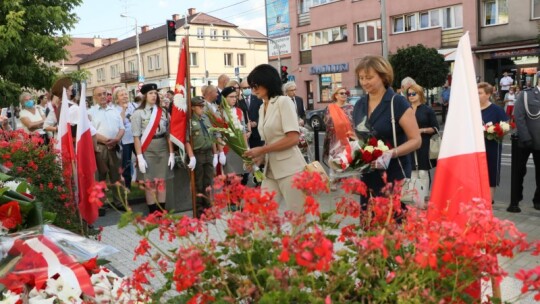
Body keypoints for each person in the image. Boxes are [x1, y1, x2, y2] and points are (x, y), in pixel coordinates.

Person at [352, 55, 421, 204]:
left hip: (394, 174)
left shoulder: (397, 103)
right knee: (369, 221)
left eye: (369, 77)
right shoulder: (359, 104)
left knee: (392, 221)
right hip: (368, 174)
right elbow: (359, 137)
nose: (364, 82)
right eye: (361, 78)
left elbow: (416, 140)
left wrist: (391, 153)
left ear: (383, 76)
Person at [243, 64, 307, 213]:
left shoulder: (283, 102)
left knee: (299, 220)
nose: (253, 90)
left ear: (267, 82)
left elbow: (293, 138)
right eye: (251, 86)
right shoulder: (262, 107)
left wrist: (263, 149)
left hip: (291, 169)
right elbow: (269, 139)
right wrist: (259, 157)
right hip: (270, 171)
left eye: (255, 85)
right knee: (263, 217)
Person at [131, 83, 175, 214]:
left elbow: (168, 134)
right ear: (144, 96)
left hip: (162, 147)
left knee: (161, 182)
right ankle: (152, 212)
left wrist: (171, 153)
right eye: (150, 93)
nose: (154, 96)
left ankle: (161, 212)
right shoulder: (138, 113)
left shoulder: (163, 112)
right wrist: (139, 156)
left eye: (155, 93)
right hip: (147, 149)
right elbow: (136, 136)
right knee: (149, 183)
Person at [88, 86, 125, 210]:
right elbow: (90, 132)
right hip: (100, 147)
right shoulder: (90, 112)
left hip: (114, 146)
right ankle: (100, 205)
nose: (103, 96)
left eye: (104, 93)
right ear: (94, 97)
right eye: (99, 94)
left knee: (117, 176)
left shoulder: (114, 110)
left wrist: (117, 139)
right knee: (100, 177)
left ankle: (119, 202)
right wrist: (106, 140)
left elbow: (122, 128)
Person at [509, 73, 540, 212]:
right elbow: (519, 116)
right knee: (519, 171)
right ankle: (516, 199)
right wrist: (526, 137)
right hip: (524, 141)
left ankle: (538, 200)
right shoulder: (526, 94)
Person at [185, 96, 221, 217]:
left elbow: (213, 136)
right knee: (198, 183)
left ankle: (208, 208)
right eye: (200, 106)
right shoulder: (189, 121)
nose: (202, 108)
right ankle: (199, 210)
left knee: (208, 182)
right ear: (193, 108)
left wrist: (215, 154)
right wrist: (191, 156)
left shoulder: (206, 118)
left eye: (203, 106)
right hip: (198, 154)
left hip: (208, 153)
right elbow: (187, 140)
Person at [478, 82, 508, 205]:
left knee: (491, 172)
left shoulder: (497, 110)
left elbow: (505, 127)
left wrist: (493, 131)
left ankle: (488, 201)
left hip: (491, 146)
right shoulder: (471, 109)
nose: (476, 95)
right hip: (475, 147)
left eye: (479, 93)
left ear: (488, 94)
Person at [406, 84, 439, 185]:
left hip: (424, 144)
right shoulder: (405, 110)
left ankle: (423, 196)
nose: (411, 96)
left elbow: (436, 128)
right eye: (409, 94)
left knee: (423, 172)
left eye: (413, 93)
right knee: (411, 173)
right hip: (409, 144)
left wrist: (421, 130)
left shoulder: (427, 110)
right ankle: (412, 198)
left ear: (420, 94)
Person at [322, 87, 354, 191]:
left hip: (348, 137)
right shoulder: (330, 107)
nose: (344, 95)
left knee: (349, 159)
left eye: (346, 93)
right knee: (334, 160)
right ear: (336, 95)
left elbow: (354, 121)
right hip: (335, 138)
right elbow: (326, 121)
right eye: (341, 93)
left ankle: (350, 182)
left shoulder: (351, 107)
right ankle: (333, 181)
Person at [219, 86, 246, 178]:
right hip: (225, 148)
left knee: (238, 178)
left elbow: (243, 131)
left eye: (235, 96)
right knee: (229, 178)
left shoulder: (239, 111)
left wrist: (246, 148)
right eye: (231, 97)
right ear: (224, 98)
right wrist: (220, 151)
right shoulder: (219, 112)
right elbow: (217, 133)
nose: (234, 99)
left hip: (238, 148)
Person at [113, 88, 135, 191]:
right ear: (117, 99)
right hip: (125, 140)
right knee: (126, 163)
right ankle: (127, 186)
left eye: (126, 94)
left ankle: (145, 182)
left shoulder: (134, 106)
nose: (125, 96)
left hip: (136, 138)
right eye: (121, 95)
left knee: (142, 159)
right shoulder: (114, 109)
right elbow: (119, 123)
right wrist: (123, 110)